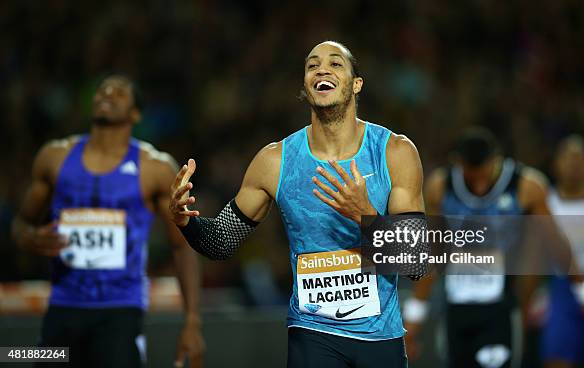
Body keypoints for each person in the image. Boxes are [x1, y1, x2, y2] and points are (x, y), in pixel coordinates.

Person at [169, 41, 427, 368]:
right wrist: (184, 221)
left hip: (380, 340)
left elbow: (416, 263)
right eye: (312, 65)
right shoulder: (275, 161)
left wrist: (366, 214)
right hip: (312, 336)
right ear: (306, 85)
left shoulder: (394, 152)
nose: (322, 69)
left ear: (356, 84)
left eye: (335, 64)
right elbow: (221, 241)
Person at [11, 75, 205, 368]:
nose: (108, 94)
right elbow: (20, 224)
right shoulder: (54, 157)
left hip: (120, 313)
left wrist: (192, 320)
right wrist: (30, 237)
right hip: (63, 308)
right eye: (102, 89)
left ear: (135, 114)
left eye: (120, 92)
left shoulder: (155, 167)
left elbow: (182, 247)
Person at [402, 128, 584, 368]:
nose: (478, 186)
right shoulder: (441, 187)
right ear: (458, 164)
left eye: (484, 175)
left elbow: (557, 244)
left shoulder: (526, 186)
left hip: (501, 309)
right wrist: (414, 315)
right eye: (471, 176)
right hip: (456, 310)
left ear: (495, 160)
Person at [542, 135, 584, 368]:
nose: (574, 164)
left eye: (580, 158)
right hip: (561, 289)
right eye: (568, 158)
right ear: (556, 164)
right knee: (557, 360)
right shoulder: (544, 203)